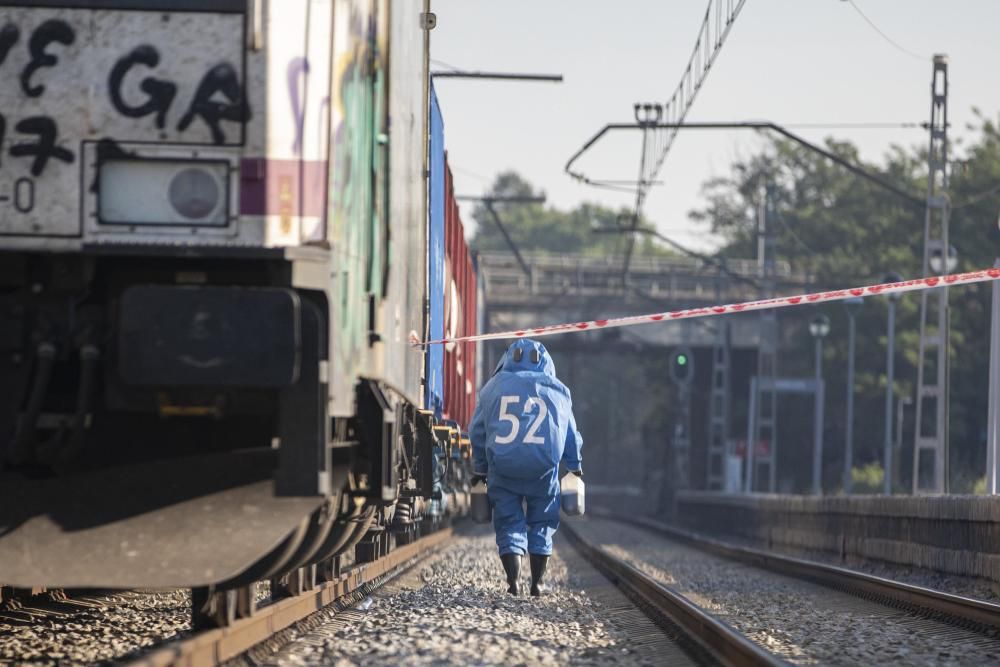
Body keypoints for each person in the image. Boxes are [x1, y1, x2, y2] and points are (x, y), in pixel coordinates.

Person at [469, 339, 583, 597]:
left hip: (503, 470)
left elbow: (476, 431)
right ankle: (538, 583)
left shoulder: (491, 389)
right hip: (543, 473)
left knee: (509, 521)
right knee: (542, 522)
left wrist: (480, 469)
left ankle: (513, 581)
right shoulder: (560, 392)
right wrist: (574, 467)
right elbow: (570, 436)